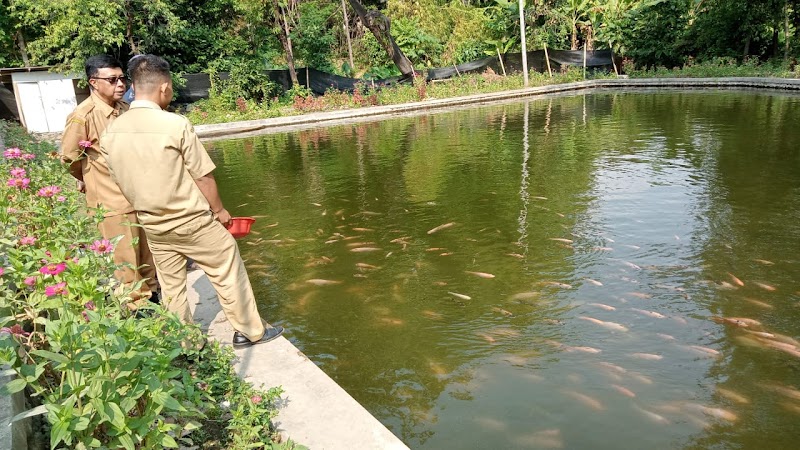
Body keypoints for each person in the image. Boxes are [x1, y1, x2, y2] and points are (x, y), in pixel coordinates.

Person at [100, 55, 283, 347]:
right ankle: (249, 330)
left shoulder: (111, 133)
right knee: (226, 264)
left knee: (171, 284)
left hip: (153, 225)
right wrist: (220, 211)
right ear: (164, 88)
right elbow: (203, 175)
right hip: (191, 220)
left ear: (133, 86)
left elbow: (118, 180)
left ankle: (184, 342)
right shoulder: (175, 124)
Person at [60, 54, 159, 306]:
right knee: (125, 263)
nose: (120, 85)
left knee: (147, 256)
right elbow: (69, 156)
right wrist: (86, 177)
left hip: (138, 197)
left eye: (122, 78)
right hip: (110, 202)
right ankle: (137, 313)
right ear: (94, 82)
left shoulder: (126, 110)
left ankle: (155, 301)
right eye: (112, 79)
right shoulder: (84, 115)